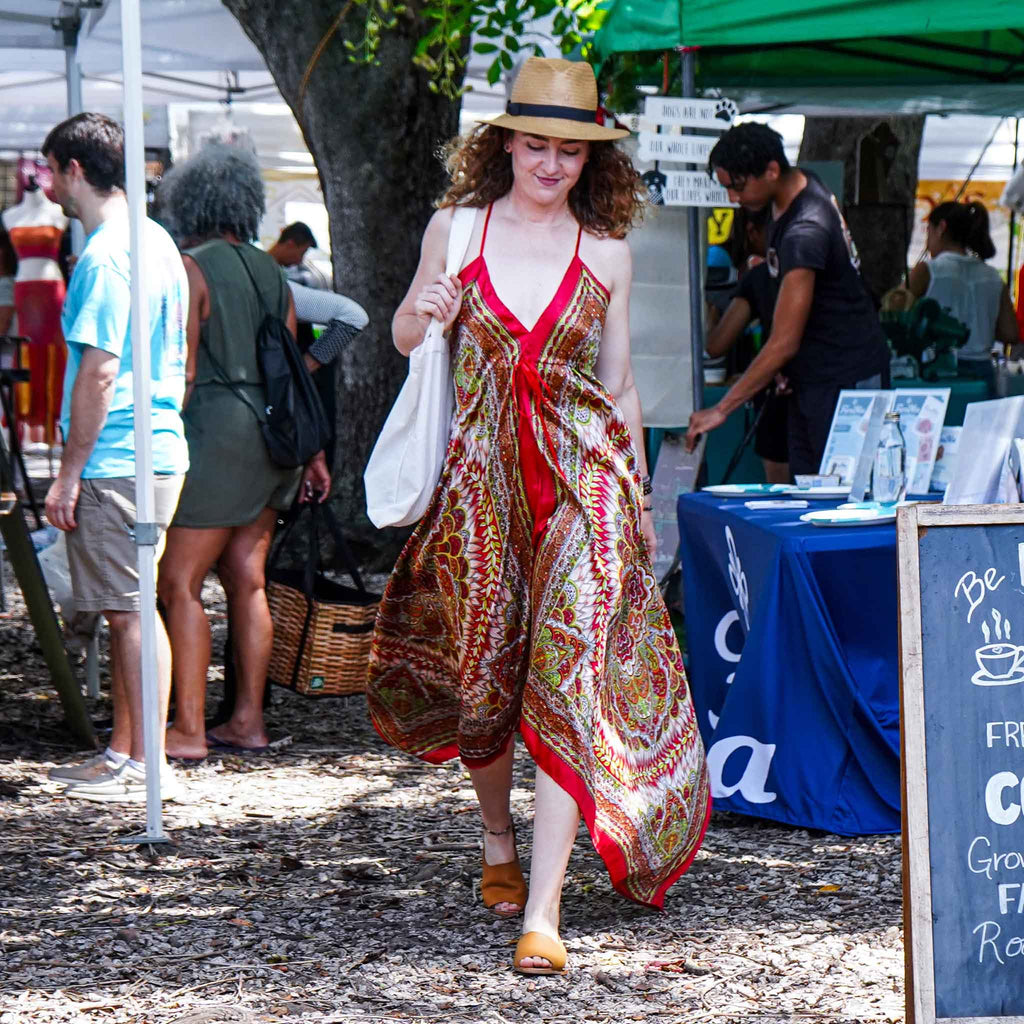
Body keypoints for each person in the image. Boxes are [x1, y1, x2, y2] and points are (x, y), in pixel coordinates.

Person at [365, 57, 710, 976]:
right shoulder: (457, 228)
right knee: (484, 681)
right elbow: (404, 333)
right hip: (478, 487)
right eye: (537, 145)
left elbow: (621, 386)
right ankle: (496, 843)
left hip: (583, 488)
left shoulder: (607, 253)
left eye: (570, 151)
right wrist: (422, 310)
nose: (551, 165)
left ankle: (546, 909)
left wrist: (637, 503)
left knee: (566, 679)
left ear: (591, 160)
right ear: (505, 143)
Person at [155, 144, 330, 761]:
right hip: (272, 436)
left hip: (213, 431)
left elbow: (185, 369)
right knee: (247, 581)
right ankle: (248, 723)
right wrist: (310, 453)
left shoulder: (188, 267)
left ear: (189, 203)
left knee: (178, 582)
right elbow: (287, 364)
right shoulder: (270, 271)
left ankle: (190, 728)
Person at [40, 112, 188, 802]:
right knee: (134, 606)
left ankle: (141, 764)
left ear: (75, 169)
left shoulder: (106, 253)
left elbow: (97, 371)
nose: (48, 187)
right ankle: (127, 753)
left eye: (49, 170)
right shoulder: (156, 240)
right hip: (154, 446)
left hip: (119, 455)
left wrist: (68, 474)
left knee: (130, 612)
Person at [687, 122, 890, 476]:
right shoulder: (799, 185)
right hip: (810, 377)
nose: (733, 198)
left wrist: (722, 408)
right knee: (808, 486)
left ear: (771, 171)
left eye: (737, 186)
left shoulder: (804, 231)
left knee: (844, 495)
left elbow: (783, 341)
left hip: (846, 379)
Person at [705, 206, 789, 483]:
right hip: (820, 394)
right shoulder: (817, 271)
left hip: (778, 398)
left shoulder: (760, 278)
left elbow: (716, 343)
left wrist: (710, 309)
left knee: (782, 493)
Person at [907, 201, 1019, 384]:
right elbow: (1010, 333)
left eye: (928, 231)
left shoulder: (927, 271)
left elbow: (895, 311)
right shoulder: (993, 277)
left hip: (939, 370)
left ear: (941, 228)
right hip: (982, 374)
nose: (927, 243)